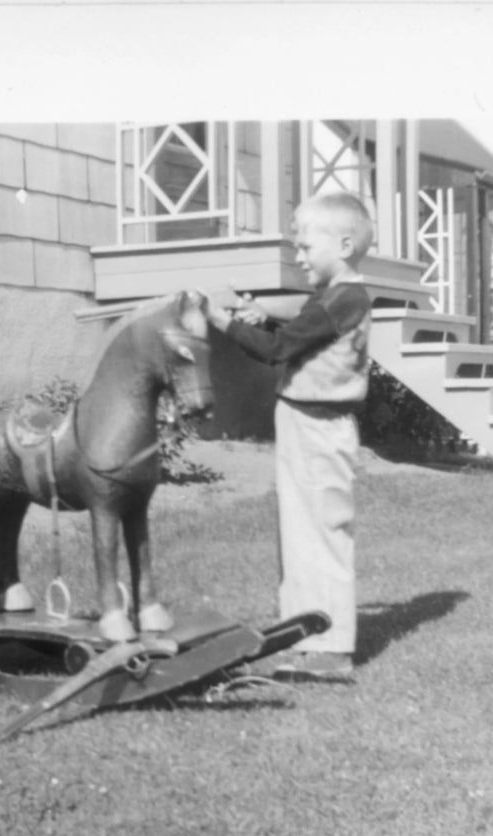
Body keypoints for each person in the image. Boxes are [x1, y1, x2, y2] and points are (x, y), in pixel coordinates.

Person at [201, 192, 374, 680]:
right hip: (304, 421)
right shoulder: (337, 296)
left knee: (322, 534)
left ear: (342, 245)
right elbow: (302, 327)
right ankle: (307, 635)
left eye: (304, 248)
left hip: (320, 426)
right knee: (300, 536)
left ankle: (333, 650)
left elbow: (279, 350)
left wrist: (224, 320)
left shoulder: (346, 298)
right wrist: (263, 313)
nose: (297, 258)